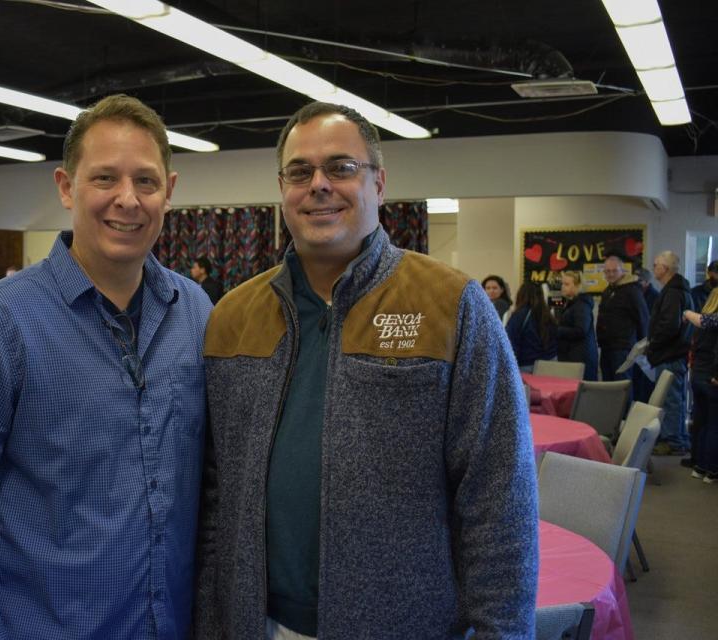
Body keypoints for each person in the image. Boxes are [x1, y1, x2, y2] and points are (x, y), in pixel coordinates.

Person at [193, 102, 538, 639]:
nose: (319, 185)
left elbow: (499, 495)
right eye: (300, 172)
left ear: (379, 184)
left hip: (404, 625)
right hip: (259, 625)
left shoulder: (451, 305)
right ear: (282, 189)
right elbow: (216, 496)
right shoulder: (231, 318)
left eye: (341, 167)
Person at [0, 94, 213, 638]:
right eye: (104, 179)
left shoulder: (196, 314)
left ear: (168, 192)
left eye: (145, 182)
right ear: (65, 186)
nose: (128, 200)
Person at [648, 251, 694, 456]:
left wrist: (653, 343)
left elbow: (669, 326)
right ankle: (679, 438)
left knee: (671, 399)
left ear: (665, 269)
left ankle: (673, 441)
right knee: (676, 398)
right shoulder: (676, 290)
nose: (653, 268)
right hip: (674, 353)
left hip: (669, 355)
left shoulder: (673, 292)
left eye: (656, 264)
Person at [596, 253, 648, 386]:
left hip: (623, 349)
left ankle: (625, 408)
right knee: (608, 387)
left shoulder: (632, 291)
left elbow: (643, 319)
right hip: (607, 348)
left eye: (614, 270)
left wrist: (644, 348)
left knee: (622, 387)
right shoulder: (607, 291)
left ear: (622, 270)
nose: (611, 274)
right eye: (607, 271)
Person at [684, 290, 718, 481]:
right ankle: (712, 470)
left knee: (701, 422)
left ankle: (699, 466)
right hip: (712, 377)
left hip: (697, 374)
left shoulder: (702, 322)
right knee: (714, 425)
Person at [506, 281, 558, 372]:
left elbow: (511, 341)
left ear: (521, 295)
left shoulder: (519, 315)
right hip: (549, 364)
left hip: (526, 364)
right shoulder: (548, 315)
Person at [556, 271, 598, 380]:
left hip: (580, 358)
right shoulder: (573, 303)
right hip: (574, 356)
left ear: (577, 286)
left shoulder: (581, 305)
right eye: (562, 284)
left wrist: (557, 330)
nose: (562, 287)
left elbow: (581, 330)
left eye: (566, 284)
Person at [634, 267, 659, 402]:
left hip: (648, 346)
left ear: (646, 282)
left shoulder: (655, 298)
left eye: (638, 281)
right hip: (635, 344)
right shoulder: (634, 295)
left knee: (646, 384)